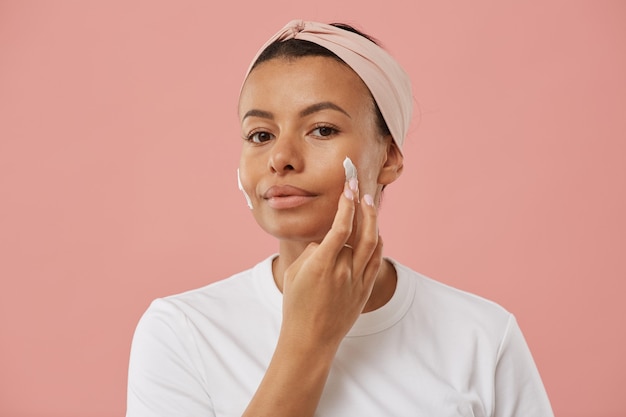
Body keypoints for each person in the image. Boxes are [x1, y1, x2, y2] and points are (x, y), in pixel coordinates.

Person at [126, 20, 554, 417]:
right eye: (261, 135)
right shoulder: (180, 333)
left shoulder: (482, 336)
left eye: (322, 130)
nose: (281, 158)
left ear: (388, 157)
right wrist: (308, 343)